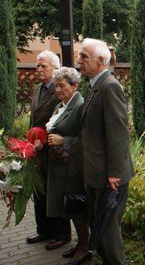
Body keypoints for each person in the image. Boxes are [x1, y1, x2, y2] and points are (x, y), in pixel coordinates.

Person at [78, 38, 135, 264]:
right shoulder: (94, 85)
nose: (78, 60)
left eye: (84, 56)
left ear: (101, 60)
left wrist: (114, 173)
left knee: (109, 231)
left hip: (109, 177)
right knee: (98, 226)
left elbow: (118, 134)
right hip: (95, 173)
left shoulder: (109, 86)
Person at [42, 67, 90, 264]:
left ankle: (85, 246)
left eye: (62, 85)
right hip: (60, 165)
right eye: (56, 86)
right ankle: (79, 243)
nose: (58, 89)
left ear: (75, 85)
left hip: (73, 167)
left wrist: (65, 141)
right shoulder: (61, 105)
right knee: (66, 208)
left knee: (75, 207)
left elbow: (86, 137)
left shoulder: (79, 105)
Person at [27, 50, 71, 250]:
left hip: (53, 149)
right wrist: (30, 143)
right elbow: (33, 120)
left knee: (55, 193)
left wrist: (45, 140)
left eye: (43, 66)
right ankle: (43, 230)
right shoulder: (37, 89)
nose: (39, 69)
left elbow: (63, 120)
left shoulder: (60, 90)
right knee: (39, 191)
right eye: (38, 66)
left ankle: (61, 234)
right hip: (36, 151)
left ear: (55, 68)